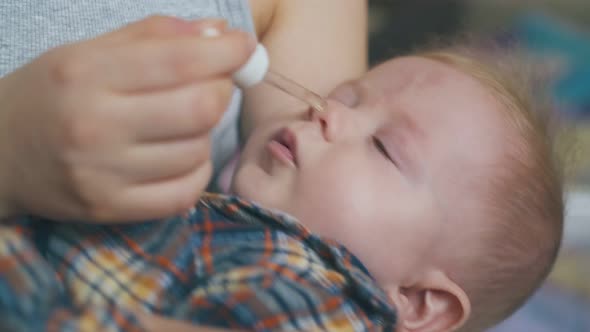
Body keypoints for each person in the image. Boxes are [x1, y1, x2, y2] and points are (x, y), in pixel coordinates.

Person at [0, 47, 565, 332]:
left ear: (420, 302)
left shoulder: (324, 292)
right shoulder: (223, 222)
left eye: (384, 149)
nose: (328, 117)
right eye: (345, 99)